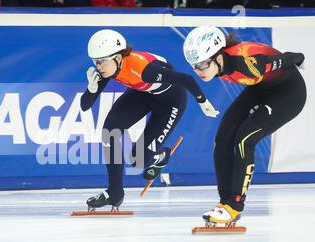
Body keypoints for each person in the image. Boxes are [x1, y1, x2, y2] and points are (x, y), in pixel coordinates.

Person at [81, 29, 218, 211]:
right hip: (143, 94)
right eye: (95, 62)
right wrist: (91, 88)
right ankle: (115, 192)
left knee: (138, 160)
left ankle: (162, 155)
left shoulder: (145, 70)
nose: (99, 66)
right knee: (109, 131)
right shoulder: (108, 69)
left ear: (118, 58)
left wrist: (203, 101)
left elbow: (185, 79)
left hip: (171, 102)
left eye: (102, 61)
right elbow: (85, 105)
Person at [183, 26, 306, 226]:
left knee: (244, 139)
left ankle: (235, 205)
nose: (199, 71)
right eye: (194, 66)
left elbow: (282, 59)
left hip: (289, 93)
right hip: (261, 87)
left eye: (203, 64)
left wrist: (298, 57)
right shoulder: (219, 65)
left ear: (219, 58)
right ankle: (225, 204)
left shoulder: (246, 64)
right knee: (222, 139)